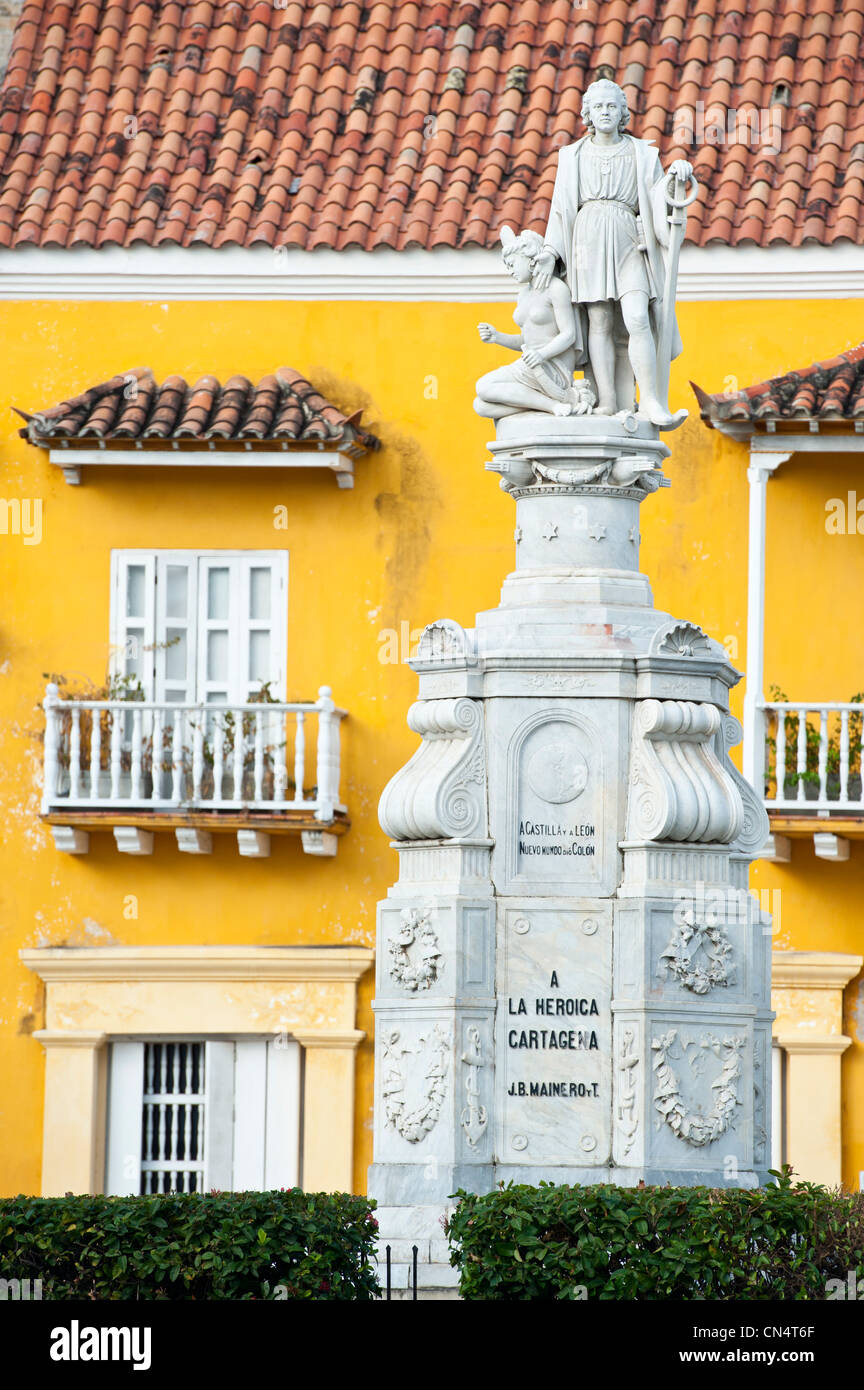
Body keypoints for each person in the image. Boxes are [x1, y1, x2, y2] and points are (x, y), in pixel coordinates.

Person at [533, 78, 692, 427]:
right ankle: (606, 401)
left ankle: (649, 399)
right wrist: (549, 251)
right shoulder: (572, 155)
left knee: (637, 317)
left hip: (628, 240)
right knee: (600, 320)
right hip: (587, 240)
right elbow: (561, 209)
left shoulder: (642, 153)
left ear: (623, 113)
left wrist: (677, 178)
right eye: (598, 107)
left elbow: (657, 200)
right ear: (587, 113)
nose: (605, 112)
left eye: (612, 107)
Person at [474, 225, 596, 420]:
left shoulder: (556, 288)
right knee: (481, 406)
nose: (510, 271)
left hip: (552, 367)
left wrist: (541, 355)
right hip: (530, 365)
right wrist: (498, 337)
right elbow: (527, 339)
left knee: (483, 386)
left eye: (512, 264)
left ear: (530, 259)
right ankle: (551, 403)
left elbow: (569, 334)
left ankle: (554, 404)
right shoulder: (523, 294)